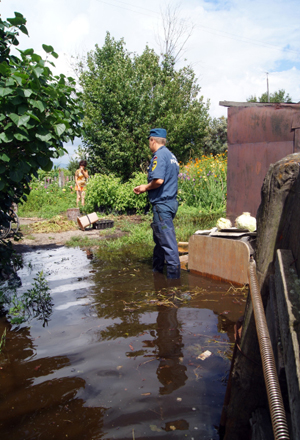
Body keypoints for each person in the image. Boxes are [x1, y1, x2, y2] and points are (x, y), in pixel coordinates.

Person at [133, 128, 181, 279]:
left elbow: (158, 180)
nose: (149, 144)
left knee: (169, 245)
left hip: (162, 206)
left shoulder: (159, 156)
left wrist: (144, 187)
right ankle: (158, 275)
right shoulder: (171, 155)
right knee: (160, 242)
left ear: (152, 140)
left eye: (149, 141)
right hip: (170, 203)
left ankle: (174, 285)